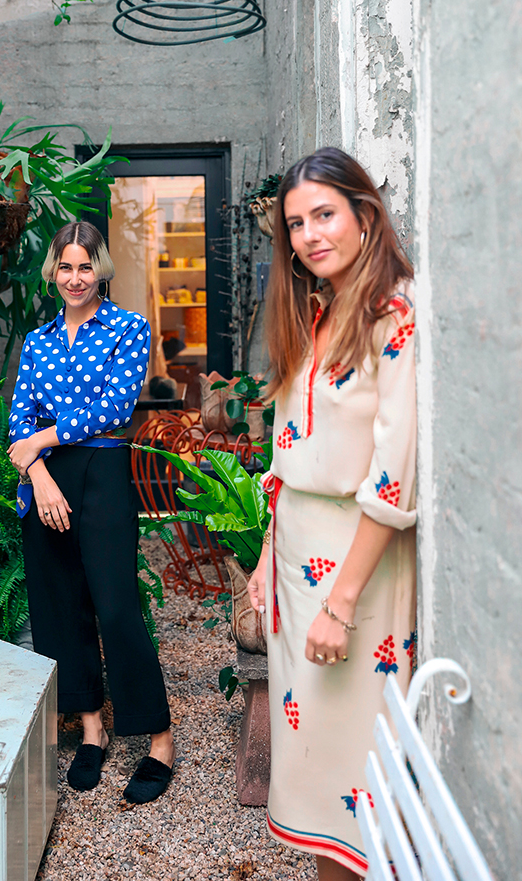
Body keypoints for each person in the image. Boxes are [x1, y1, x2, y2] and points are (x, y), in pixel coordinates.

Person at [247, 149, 416, 880]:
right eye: (295, 224)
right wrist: (261, 558)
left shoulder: (392, 315)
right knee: (311, 765)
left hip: (356, 576)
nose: (311, 235)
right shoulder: (312, 314)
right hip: (292, 565)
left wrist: (340, 606)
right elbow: (289, 456)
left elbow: (394, 473)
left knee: (359, 775)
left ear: (364, 215)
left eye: (324, 214)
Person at [7, 220, 175, 804]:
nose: (75, 278)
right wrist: (39, 473)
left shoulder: (129, 328)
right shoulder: (38, 341)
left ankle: (158, 740)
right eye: (65, 267)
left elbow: (112, 409)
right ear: (52, 272)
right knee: (60, 606)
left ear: (100, 268)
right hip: (46, 480)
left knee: (115, 605)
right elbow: (16, 421)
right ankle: (93, 731)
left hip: (103, 474)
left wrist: (37, 444)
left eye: (86, 266)